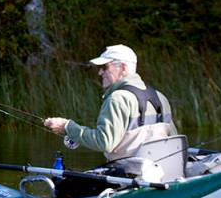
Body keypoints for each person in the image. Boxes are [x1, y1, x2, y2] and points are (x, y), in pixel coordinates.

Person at [43, 44, 178, 163]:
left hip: (130, 176)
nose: (100, 72)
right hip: (161, 172)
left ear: (123, 67)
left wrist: (67, 127)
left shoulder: (117, 99)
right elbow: (173, 140)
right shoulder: (160, 97)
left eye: (104, 67)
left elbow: (104, 142)